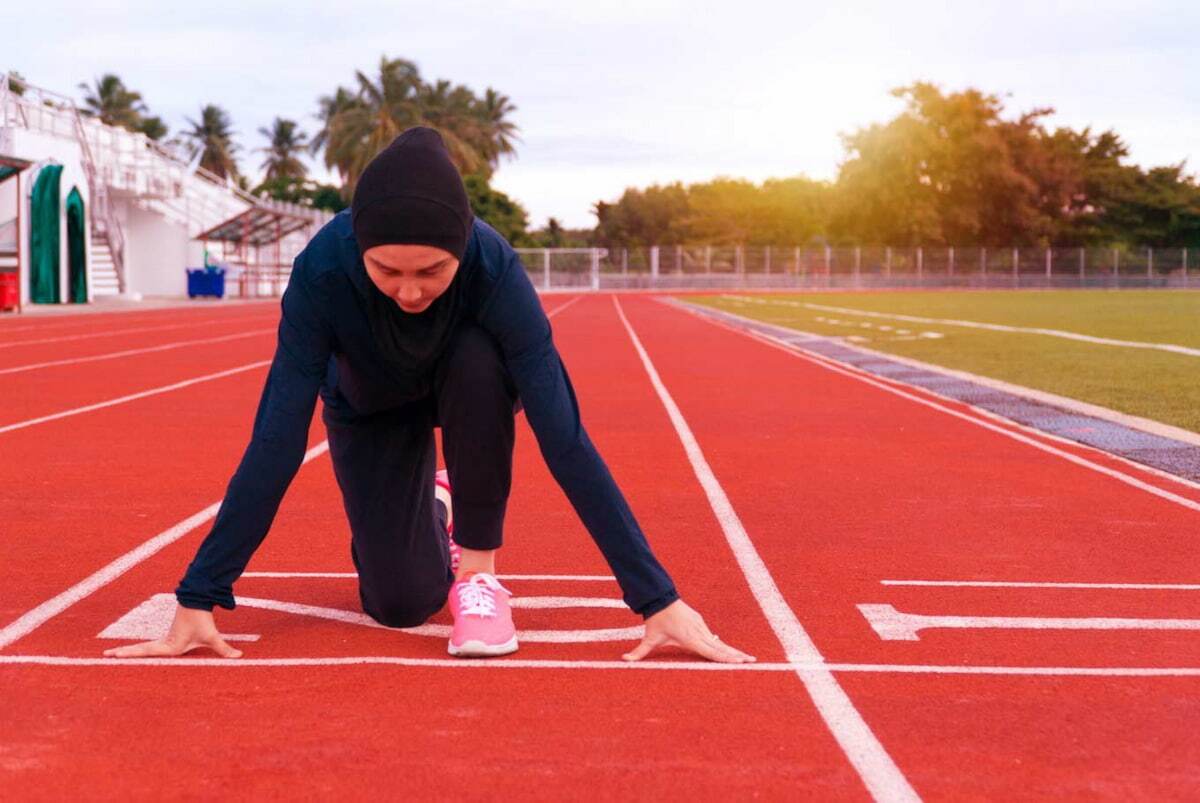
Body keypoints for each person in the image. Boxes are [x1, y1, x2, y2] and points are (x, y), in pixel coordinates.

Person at [103, 127, 753, 664]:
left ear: (462, 249)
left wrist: (655, 597)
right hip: (368, 403)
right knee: (398, 603)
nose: (410, 293)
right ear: (359, 246)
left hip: (465, 390)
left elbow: (564, 435)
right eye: (388, 271)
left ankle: (478, 575)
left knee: (476, 358)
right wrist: (201, 592)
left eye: (431, 272)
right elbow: (277, 437)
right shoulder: (322, 274)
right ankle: (432, 510)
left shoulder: (494, 269)